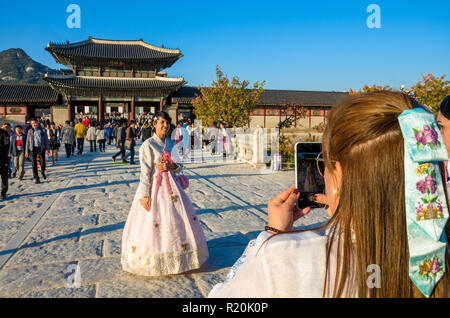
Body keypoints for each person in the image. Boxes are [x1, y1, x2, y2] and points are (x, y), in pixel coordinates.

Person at [208, 92, 450, 298]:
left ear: (341, 174)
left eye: (325, 164)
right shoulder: (437, 256)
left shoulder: (284, 258)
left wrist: (272, 236)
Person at [121, 111, 209, 276]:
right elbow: (145, 172)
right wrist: (145, 195)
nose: (165, 126)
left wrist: (171, 167)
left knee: (176, 219)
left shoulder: (171, 144)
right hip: (155, 188)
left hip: (172, 188)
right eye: (161, 122)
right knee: (152, 223)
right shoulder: (148, 145)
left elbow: (180, 165)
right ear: (154, 124)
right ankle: (154, 256)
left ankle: (180, 255)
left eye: (167, 123)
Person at [25, 119, 49, 184]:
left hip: (41, 148)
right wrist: (26, 151)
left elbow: (46, 140)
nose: (34, 125)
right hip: (33, 148)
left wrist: (47, 149)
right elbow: (27, 141)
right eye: (32, 123)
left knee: (43, 162)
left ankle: (42, 170)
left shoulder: (43, 130)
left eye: (35, 123)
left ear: (38, 123)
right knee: (33, 164)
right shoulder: (30, 131)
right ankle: (36, 178)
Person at [0, 126, 10, 199]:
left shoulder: (4, 133)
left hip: (3, 157)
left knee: (4, 176)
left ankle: (3, 193)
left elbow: (7, 145)